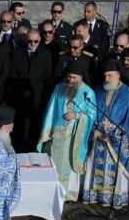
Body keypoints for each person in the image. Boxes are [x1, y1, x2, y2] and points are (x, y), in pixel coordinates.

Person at [83, 60, 129, 210]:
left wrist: (112, 135)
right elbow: (91, 114)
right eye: (105, 76)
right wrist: (96, 131)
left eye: (110, 76)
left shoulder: (128, 94)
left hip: (116, 142)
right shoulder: (97, 91)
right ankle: (96, 195)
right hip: (98, 138)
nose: (106, 79)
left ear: (119, 75)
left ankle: (115, 198)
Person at [39, 60, 95, 202]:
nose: (70, 80)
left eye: (74, 77)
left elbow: (92, 115)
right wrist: (47, 132)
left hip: (73, 136)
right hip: (56, 133)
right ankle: (51, 191)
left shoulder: (88, 92)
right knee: (53, 163)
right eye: (68, 77)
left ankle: (66, 193)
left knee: (67, 165)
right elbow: (51, 110)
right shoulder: (59, 88)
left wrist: (76, 115)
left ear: (81, 77)